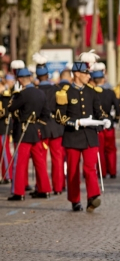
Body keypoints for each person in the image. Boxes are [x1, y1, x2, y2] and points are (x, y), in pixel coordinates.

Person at [55, 51, 111, 212]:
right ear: (77, 74)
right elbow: (59, 117)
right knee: (73, 170)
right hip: (73, 136)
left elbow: (98, 112)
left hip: (90, 136)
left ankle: (93, 197)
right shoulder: (65, 92)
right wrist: (76, 122)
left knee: (90, 167)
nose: (89, 76)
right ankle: (75, 199)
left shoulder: (92, 92)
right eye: (86, 74)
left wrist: (104, 120)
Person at [6, 61, 52, 201]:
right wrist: (37, 126)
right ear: (31, 78)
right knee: (40, 163)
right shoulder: (40, 93)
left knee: (20, 164)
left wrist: (14, 97)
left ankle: (19, 192)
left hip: (23, 131)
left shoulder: (21, 94)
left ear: (19, 80)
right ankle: (45, 189)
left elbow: (11, 108)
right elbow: (45, 115)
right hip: (36, 131)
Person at [33, 52, 66, 194]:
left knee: (40, 160)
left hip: (41, 127)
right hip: (57, 127)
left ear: (37, 76)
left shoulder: (35, 91)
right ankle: (58, 187)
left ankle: (42, 187)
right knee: (57, 158)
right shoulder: (57, 90)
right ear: (48, 75)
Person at [91, 63, 120, 179]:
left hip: (97, 124)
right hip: (108, 122)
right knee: (111, 149)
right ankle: (112, 171)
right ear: (103, 79)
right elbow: (117, 107)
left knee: (100, 150)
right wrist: (116, 120)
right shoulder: (110, 92)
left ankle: (102, 172)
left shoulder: (91, 93)